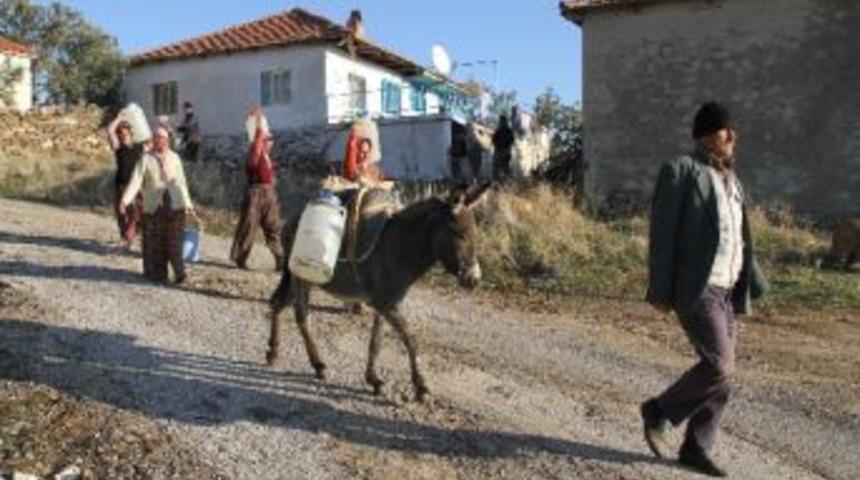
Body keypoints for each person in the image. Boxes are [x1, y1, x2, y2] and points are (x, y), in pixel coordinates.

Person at [641, 101, 767, 477]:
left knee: (724, 374)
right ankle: (659, 411)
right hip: (698, 286)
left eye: (732, 130)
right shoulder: (681, 171)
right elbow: (662, 236)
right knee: (719, 365)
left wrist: (753, 281)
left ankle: (697, 446)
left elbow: (739, 238)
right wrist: (660, 290)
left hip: (728, 288)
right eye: (725, 129)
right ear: (706, 135)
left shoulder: (733, 181)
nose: (733, 136)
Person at [120, 127, 195, 284]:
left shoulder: (175, 158)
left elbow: (182, 183)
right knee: (155, 241)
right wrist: (125, 200)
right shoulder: (145, 159)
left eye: (161, 137)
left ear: (167, 140)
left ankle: (180, 273)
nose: (158, 140)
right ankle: (157, 274)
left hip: (175, 204)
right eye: (156, 137)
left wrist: (188, 204)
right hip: (154, 206)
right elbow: (136, 181)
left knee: (175, 241)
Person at [230, 109, 285, 271]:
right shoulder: (255, 155)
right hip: (255, 193)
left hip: (269, 194)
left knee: (273, 226)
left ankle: (280, 258)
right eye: (268, 140)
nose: (271, 142)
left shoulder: (267, 158)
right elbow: (257, 144)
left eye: (270, 140)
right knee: (249, 226)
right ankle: (240, 258)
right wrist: (260, 124)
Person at [105, 116, 145, 247]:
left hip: (137, 184)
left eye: (125, 132)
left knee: (138, 211)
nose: (123, 135)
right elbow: (110, 131)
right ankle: (125, 236)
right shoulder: (118, 147)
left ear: (131, 133)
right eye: (120, 133)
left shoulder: (140, 147)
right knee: (121, 211)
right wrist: (119, 117)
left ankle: (133, 234)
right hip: (121, 183)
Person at [492, 115, 515, 181]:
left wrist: (499, 145)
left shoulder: (500, 130)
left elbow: (494, 140)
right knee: (504, 168)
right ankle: (503, 182)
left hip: (501, 151)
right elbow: (512, 141)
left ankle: (499, 182)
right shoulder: (508, 130)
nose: (500, 122)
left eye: (501, 121)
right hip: (505, 151)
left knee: (498, 168)